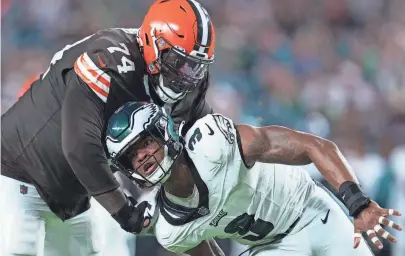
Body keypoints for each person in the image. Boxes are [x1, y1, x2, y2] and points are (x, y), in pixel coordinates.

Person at [1, 0, 217, 255]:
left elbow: (207, 143)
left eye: (194, 65)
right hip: (18, 172)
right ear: (153, 42)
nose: (186, 74)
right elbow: (80, 146)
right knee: (18, 249)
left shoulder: (188, 87)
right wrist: (123, 211)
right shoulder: (111, 59)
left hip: (73, 195)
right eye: (179, 61)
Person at [105, 101, 403, 256]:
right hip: (268, 248)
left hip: (313, 213)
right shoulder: (170, 227)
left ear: (164, 132)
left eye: (144, 143)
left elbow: (315, 146)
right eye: (131, 155)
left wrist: (358, 203)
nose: (141, 157)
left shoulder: (213, 144)